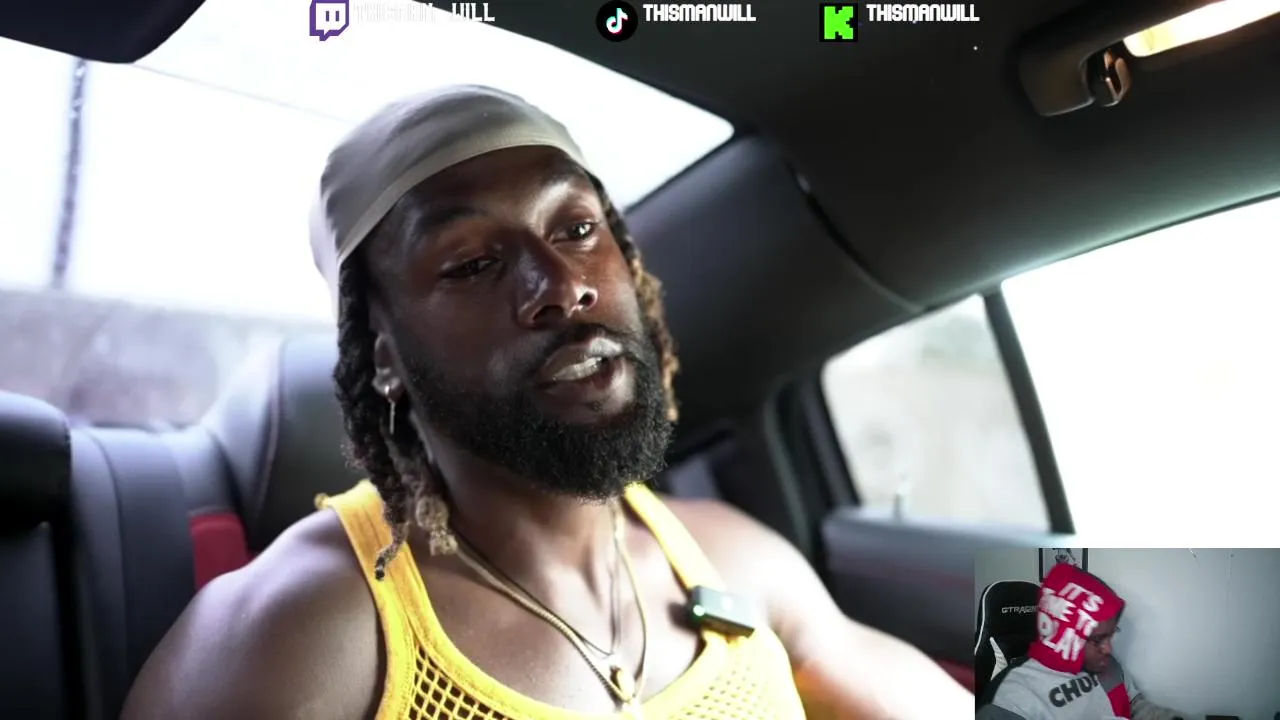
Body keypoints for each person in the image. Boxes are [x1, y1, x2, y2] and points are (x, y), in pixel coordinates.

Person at [120, 85, 973, 719]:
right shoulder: (297, 634)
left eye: (576, 229)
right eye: (472, 264)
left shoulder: (732, 563)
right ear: (383, 353)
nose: (561, 286)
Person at [978, 563, 1200, 720]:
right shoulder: (1011, 698)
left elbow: (1135, 705)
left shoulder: (1105, 664)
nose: (1108, 649)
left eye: (1111, 635)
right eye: (1098, 639)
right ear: (1065, 634)